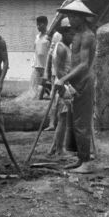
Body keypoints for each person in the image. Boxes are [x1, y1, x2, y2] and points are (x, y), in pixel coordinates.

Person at [53, 0, 97, 174]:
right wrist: (66, 80)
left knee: (82, 124)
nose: (70, 20)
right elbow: (75, 62)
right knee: (76, 122)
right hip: (76, 82)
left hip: (85, 82)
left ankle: (86, 162)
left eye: (72, 17)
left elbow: (84, 64)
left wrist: (64, 78)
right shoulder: (77, 35)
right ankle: (81, 157)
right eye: (69, 16)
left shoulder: (88, 36)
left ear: (80, 17)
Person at [47, 18, 74, 157]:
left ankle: (53, 147)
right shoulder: (61, 48)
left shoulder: (67, 47)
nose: (73, 36)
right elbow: (58, 70)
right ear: (64, 33)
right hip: (62, 85)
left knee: (64, 119)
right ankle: (59, 149)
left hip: (65, 83)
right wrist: (67, 85)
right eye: (70, 33)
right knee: (63, 119)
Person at [33, 16, 51, 97]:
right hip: (38, 66)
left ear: (45, 24)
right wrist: (34, 63)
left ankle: (47, 92)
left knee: (43, 86)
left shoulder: (49, 37)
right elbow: (35, 50)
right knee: (37, 89)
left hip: (46, 66)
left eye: (40, 24)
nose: (38, 27)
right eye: (37, 25)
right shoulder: (37, 37)